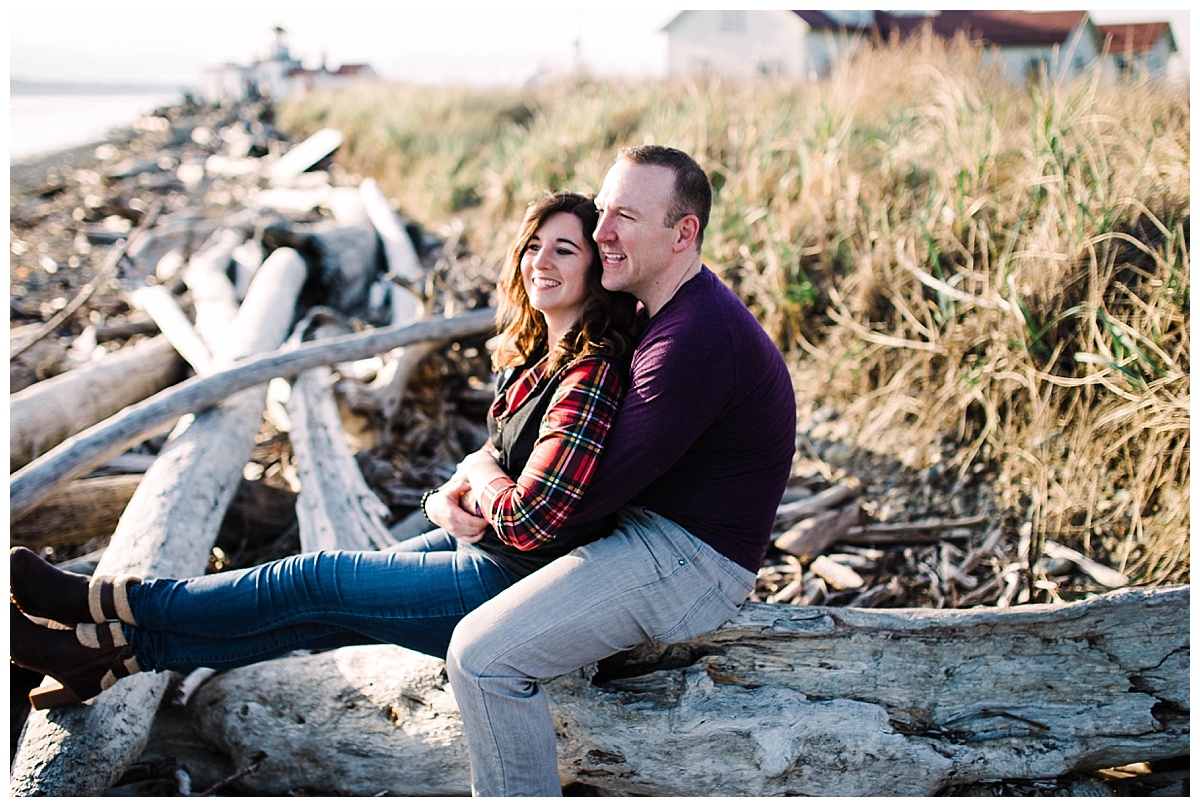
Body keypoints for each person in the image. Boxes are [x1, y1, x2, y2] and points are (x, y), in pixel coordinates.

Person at [9, 191, 642, 711]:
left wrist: (467, 483)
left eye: (564, 249)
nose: (541, 261)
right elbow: (500, 459)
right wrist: (456, 488)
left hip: (516, 587)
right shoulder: (537, 352)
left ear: (598, 269)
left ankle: (101, 601)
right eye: (533, 245)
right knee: (324, 614)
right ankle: (112, 658)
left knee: (310, 579)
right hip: (482, 547)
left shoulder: (590, 374)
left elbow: (534, 517)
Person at [442, 145, 797, 796]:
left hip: (690, 559)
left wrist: (484, 473)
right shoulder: (655, 307)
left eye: (625, 217)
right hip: (650, 525)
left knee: (481, 656)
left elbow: (568, 510)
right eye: (603, 210)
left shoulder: (690, 341)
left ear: (683, 233)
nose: (601, 231)